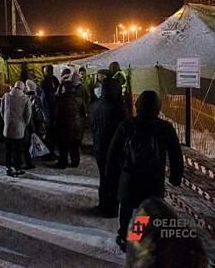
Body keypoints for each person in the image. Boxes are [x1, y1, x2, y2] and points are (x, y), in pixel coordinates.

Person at [106, 90, 183, 252]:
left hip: (129, 178)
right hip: (153, 181)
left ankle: (126, 237)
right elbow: (176, 154)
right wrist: (175, 177)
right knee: (147, 210)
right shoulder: (165, 128)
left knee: (126, 208)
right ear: (158, 107)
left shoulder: (127, 125)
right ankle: (139, 238)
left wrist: (110, 177)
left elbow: (112, 153)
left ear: (138, 105)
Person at [89, 77, 127, 217]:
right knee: (115, 178)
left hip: (99, 147)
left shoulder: (95, 105)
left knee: (104, 177)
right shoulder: (119, 108)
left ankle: (103, 204)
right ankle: (111, 209)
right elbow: (125, 130)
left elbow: (91, 125)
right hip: (116, 150)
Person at [54, 70, 86, 169]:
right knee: (74, 146)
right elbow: (84, 112)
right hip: (76, 126)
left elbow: (55, 114)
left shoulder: (60, 101)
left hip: (63, 127)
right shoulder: (79, 100)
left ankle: (62, 163)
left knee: (63, 146)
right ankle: (75, 162)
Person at [0, 81, 32, 176]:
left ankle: (8, 167)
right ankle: (17, 168)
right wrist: (24, 125)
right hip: (19, 128)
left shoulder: (6, 96)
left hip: (7, 127)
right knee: (18, 150)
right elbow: (28, 115)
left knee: (8, 149)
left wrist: (6, 121)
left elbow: (1, 110)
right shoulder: (25, 99)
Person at [40, 64, 60, 161]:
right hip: (50, 112)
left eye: (46, 71)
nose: (45, 72)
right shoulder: (46, 82)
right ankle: (48, 153)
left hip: (51, 111)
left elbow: (47, 98)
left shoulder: (51, 80)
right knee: (49, 134)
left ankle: (50, 153)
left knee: (51, 134)